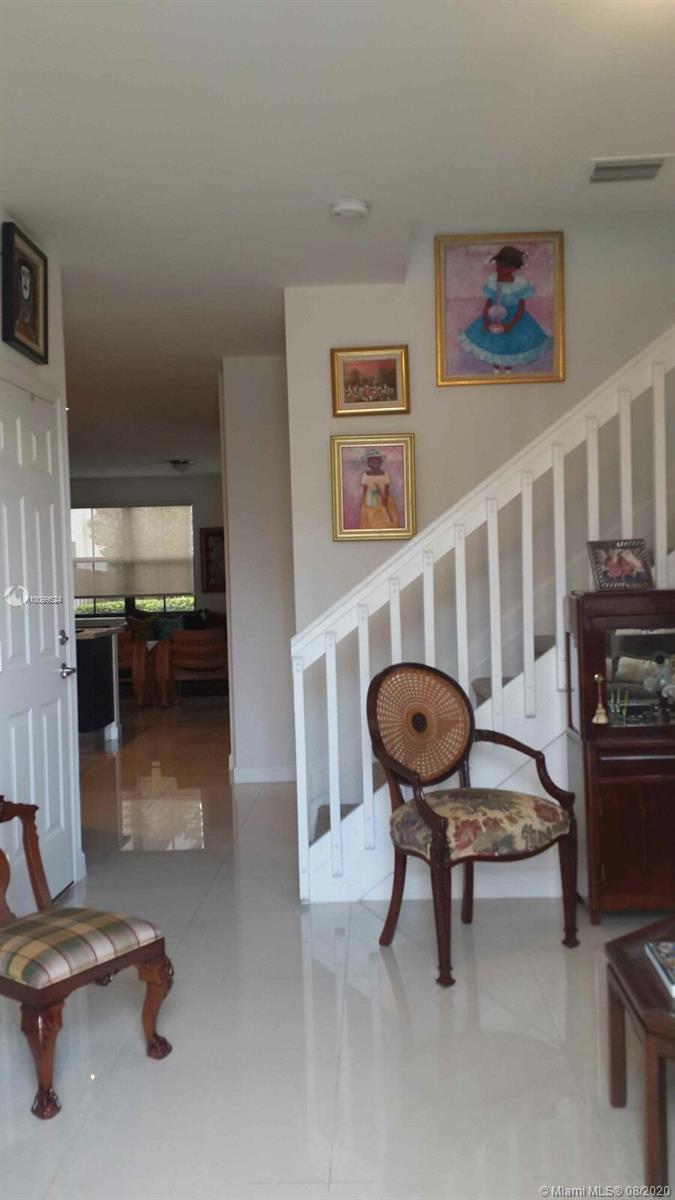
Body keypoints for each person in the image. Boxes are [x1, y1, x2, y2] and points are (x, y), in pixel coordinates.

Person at [459, 245, 552, 375]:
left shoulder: (519, 283)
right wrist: (485, 320)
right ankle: (496, 368)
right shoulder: (493, 281)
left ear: (513, 268)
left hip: (514, 318)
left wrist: (511, 324)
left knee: (511, 342)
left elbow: (521, 307)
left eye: (504, 266)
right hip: (495, 315)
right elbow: (488, 303)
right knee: (493, 341)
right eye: (498, 265)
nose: (499, 269)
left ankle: (508, 368)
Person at [359, 450, 399, 530]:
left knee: (384, 515)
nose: (375, 464)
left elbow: (387, 487)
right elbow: (365, 489)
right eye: (373, 462)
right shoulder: (365, 475)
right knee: (372, 515)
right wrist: (363, 500)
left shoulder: (384, 474)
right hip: (371, 497)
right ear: (368, 464)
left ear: (381, 463)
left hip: (383, 496)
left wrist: (385, 499)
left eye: (377, 462)